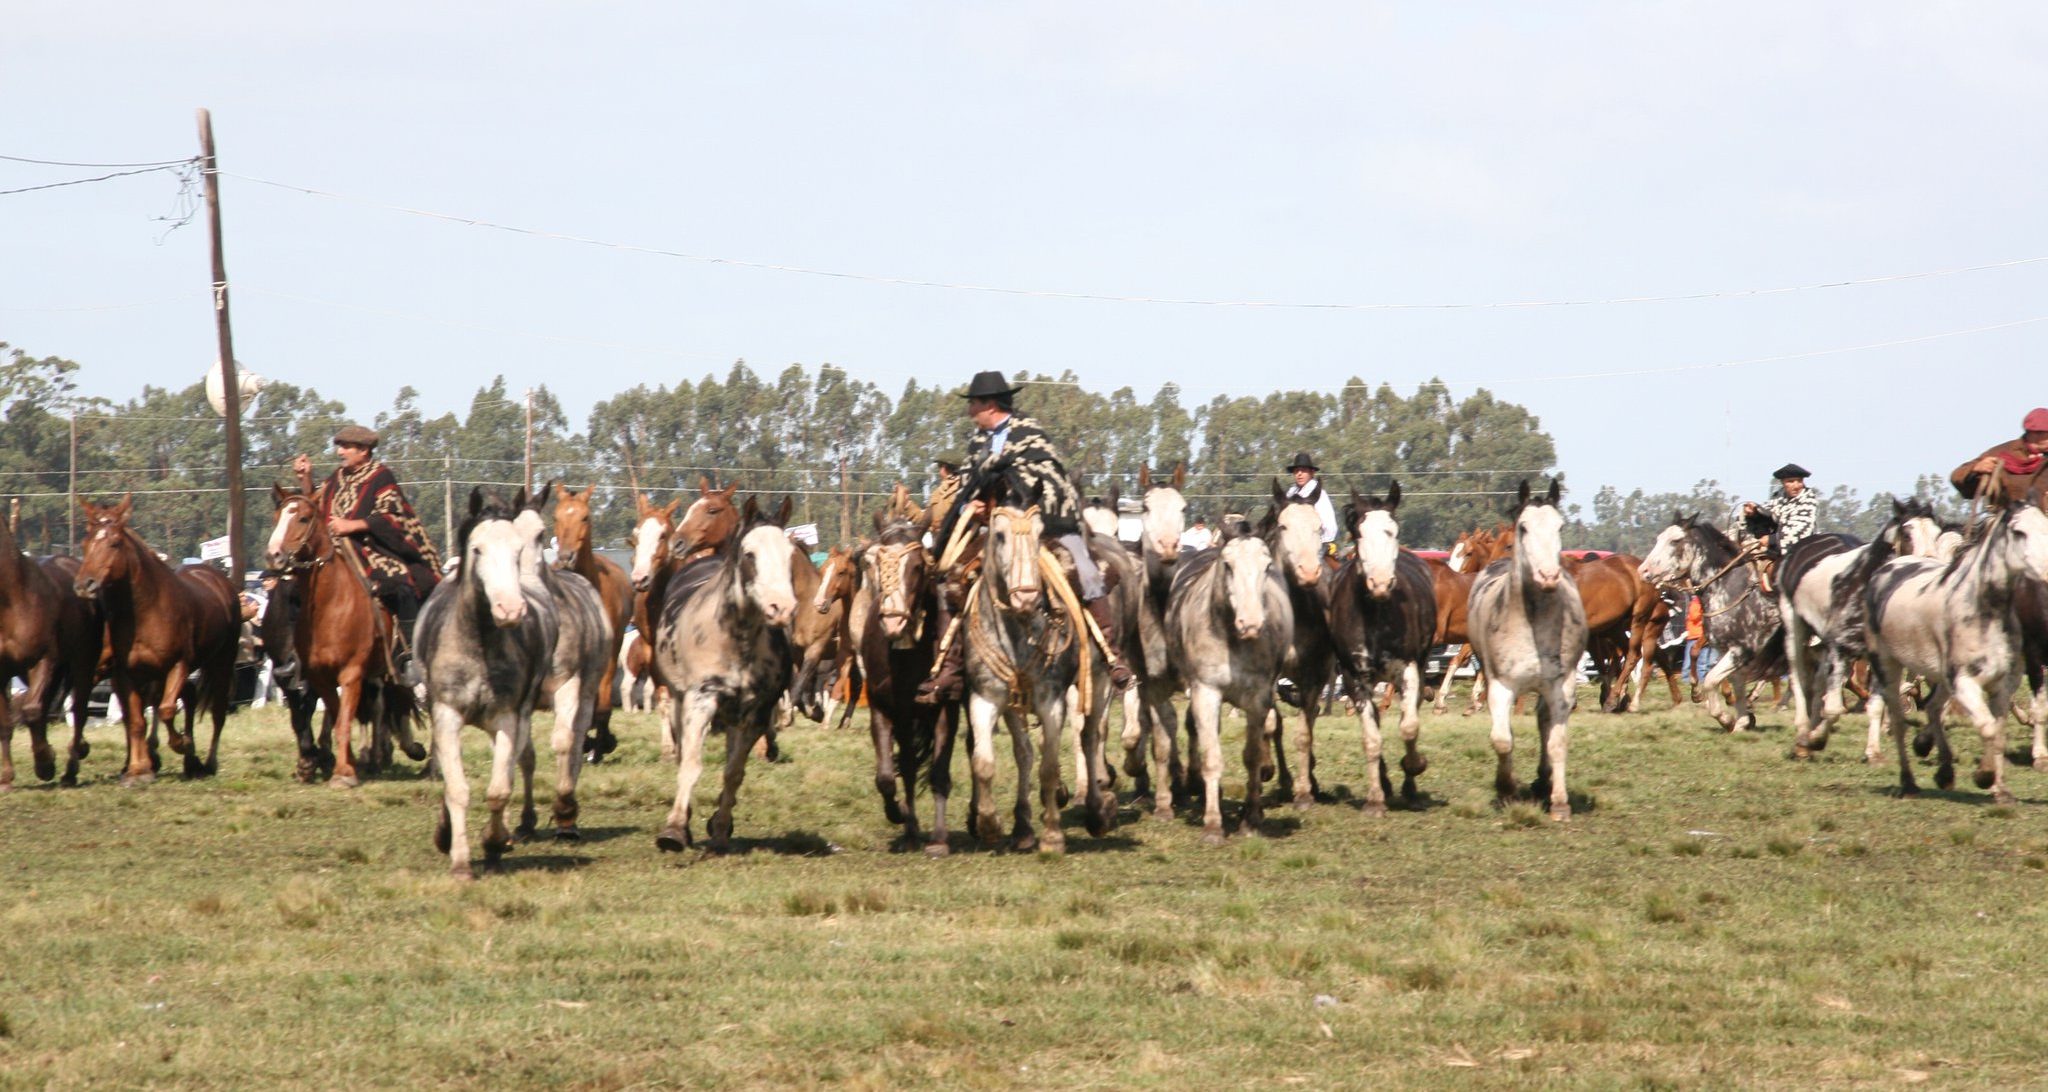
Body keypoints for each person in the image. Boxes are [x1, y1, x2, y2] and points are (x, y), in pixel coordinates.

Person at [918, 371, 1129, 703]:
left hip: (1045, 524)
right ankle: (949, 665)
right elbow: (971, 485)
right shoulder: (977, 442)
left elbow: (1050, 479)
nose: (969, 410)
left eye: (973, 404)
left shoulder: (1030, 433)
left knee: (1087, 571)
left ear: (990, 405)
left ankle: (1111, 654)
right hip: (993, 528)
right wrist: (972, 506)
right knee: (949, 578)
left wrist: (1025, 508)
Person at [293, 424, 441, 684]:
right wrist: (306, 478)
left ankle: (409, 656)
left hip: (372, 548)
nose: (340, 452)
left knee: (401, 584)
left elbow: (393, 517)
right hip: (334, 549)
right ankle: (297, 658)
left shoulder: (381, 477)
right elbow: (314, 506)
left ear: (363, 450)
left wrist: (353, 525)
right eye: (339, 446)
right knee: (293, 586)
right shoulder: (336, 478)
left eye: (346, 447)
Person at [1740, 463, 1817, 593]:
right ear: (1783, 483)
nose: (1796, 485)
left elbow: (1799, 531)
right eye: (1791, 481)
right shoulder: (1778, 498)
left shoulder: (1809, 501)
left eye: (1799, 481)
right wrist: (1753, 513)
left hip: (1800, 552)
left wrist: (1771, 540)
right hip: (1777, 550)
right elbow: (1769, 516)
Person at [1951, 407, 2048, 506]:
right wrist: (1975, 469)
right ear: (2035, 433)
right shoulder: (2002, 453)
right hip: (2006, 517)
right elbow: (1957, 477)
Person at [1283, 452, 1340, 551]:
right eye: (1296, 471)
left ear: (1312, 473)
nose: (1299, 474)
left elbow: (1329, 524)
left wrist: (1324, 544)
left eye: (1303, 470)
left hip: (1316, 544)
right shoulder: (1290, 493)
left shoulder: (1319, 494)